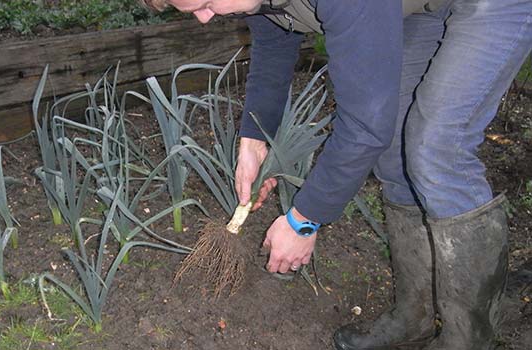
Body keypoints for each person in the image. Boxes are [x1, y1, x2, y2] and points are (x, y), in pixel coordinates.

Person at [140, 0, 532, 349]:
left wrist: (304, 220)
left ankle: (469, 338)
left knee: (437, 147)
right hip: (412, 8)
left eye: (205, 4)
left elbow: (365, 125)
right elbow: (275, 42)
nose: (205, 19)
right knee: (395, 149)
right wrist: (254, 140)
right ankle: (415, 315)